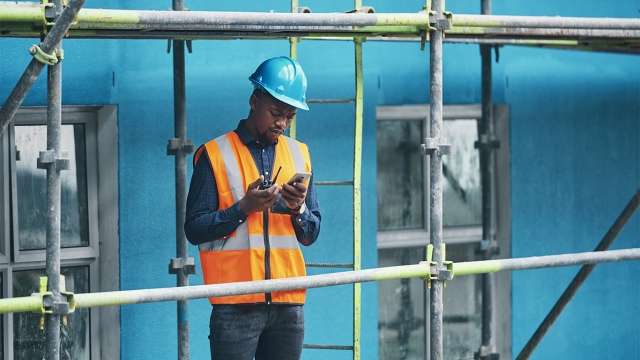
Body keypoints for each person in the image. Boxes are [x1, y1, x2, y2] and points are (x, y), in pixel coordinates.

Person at [184, 56, 321, 360]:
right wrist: (243, 208)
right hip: (235, 304)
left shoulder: (300, 154)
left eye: (290, 115)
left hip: (288, 302)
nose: (282, 123)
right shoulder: (214, 154)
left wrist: (298, 209)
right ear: (254, 100)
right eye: (275, 112)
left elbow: (311, 233)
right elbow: (194, 229)